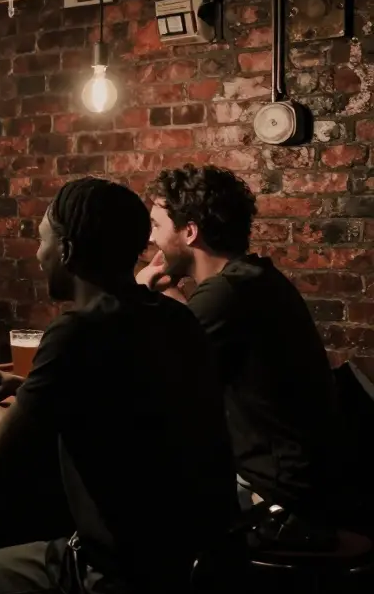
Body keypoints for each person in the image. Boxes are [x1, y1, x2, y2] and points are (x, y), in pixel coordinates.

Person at [0, 177, 236, 594]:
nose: (38, 252)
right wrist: (31, 387)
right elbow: (123, 396)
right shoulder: (173, 319)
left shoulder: (76, 330)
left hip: (118, 577)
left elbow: (1, 449)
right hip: (198, 567)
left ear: (66, 251)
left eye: (43, 240)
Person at [138, 164, 340, 541]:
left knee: (135, 514)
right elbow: (192, 338)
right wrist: (164, 289)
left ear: (190, 231)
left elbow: (148, 376)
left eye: (156, 225)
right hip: (300, 486)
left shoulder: (226, 294)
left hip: (281, 504)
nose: (150, 240)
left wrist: (134, 294)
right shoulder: (249, 279)